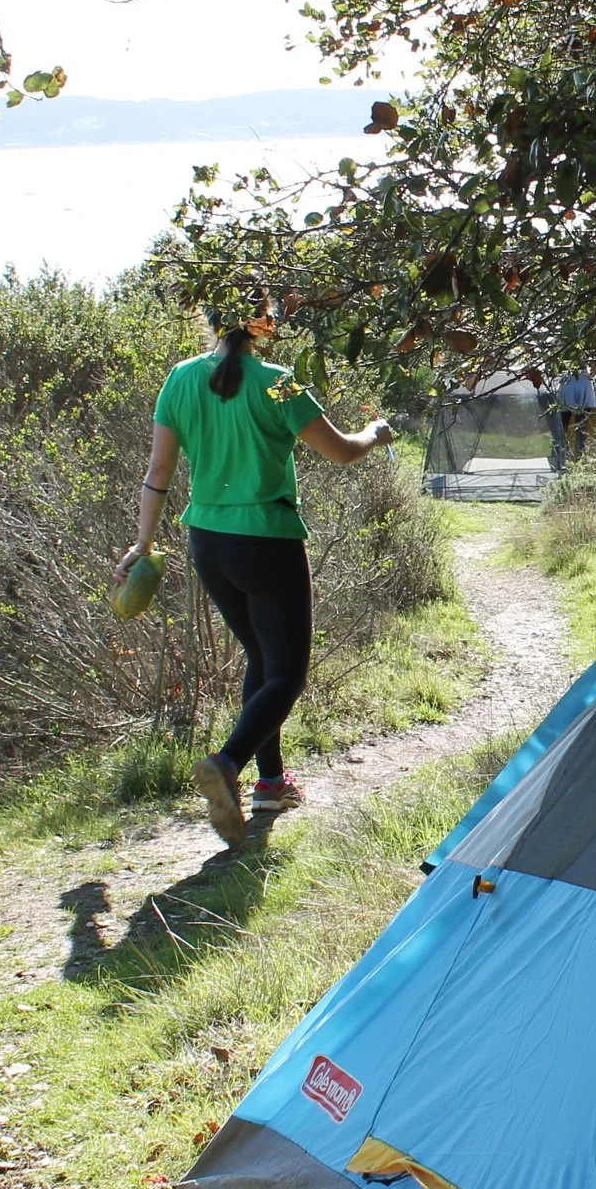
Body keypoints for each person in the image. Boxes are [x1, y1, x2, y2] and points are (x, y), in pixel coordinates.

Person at [115, 321, 395, 850]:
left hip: (208, 542)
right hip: (267, 541)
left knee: (262, 660)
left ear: (211, 320)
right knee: (287, 676)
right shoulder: (279, 382)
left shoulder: (181, 378)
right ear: (263, 320)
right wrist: (375, 433)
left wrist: (143, 544)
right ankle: (227, 762)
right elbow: (340, 451)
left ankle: (270, 785)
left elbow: (159, 470)